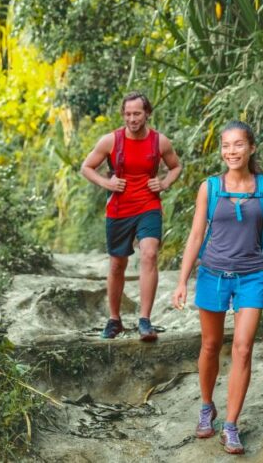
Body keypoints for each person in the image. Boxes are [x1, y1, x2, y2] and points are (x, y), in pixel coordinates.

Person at [171, 120, 263, 455]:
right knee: (210, 345)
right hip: (213, 275)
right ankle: (207, 406)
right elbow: (195, 236)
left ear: (251, 148)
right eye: (226, 145)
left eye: (238, 145)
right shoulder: (210, 187)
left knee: (243, 349)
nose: (231, 151)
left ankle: (231, 425)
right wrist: (181, 281)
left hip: (251, 277)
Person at [81, 91, 182, 341]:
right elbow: (86, 167)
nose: (132, 119)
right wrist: (107, 183)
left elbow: (176, 166)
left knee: (149, 253)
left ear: (147, 113)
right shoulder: (111, 141)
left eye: (137, 113)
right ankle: (114, 320)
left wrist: (164, 183)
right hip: (119, 209)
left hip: (148, 205)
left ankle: (145, 320)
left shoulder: (160, 142)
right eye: (127, 114)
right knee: (117, 264)